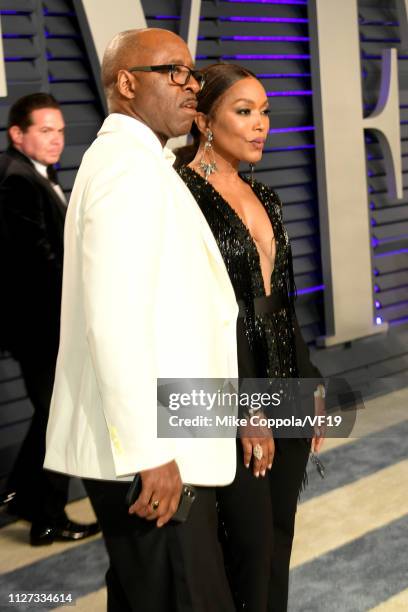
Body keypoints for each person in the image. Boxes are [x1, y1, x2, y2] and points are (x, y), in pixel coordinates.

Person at [44, 29, 256, 612]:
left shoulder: (144, 163)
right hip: (153, 451)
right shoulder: (126, 171)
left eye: (192, 72)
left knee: (149, 596)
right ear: (128, 83)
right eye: (175, 72)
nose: (191, 86)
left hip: (166, 437)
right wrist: (150, 450)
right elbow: (115, 321)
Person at [175, 63, 324, 612]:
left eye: (264, 113)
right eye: (244, 112)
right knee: (245, 549)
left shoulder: (266, 194)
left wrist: (309, 385)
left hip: (286, 386)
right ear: (205, 119)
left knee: (277, 545)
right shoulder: (182, 198)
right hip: (229, 396)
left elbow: (279, 301)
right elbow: (194, 317)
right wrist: (243, 406)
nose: (261, 124)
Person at [0, 93, 99, 546]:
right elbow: (35, 263)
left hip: (44, 324)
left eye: (60, 130)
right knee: (60, 416)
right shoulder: (16, 180)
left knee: (54, 416)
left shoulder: (35, 174)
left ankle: (28, 503)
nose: (56, 139)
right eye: (45, 130)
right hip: (41, 326)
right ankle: (42, 513)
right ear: (17, 134)